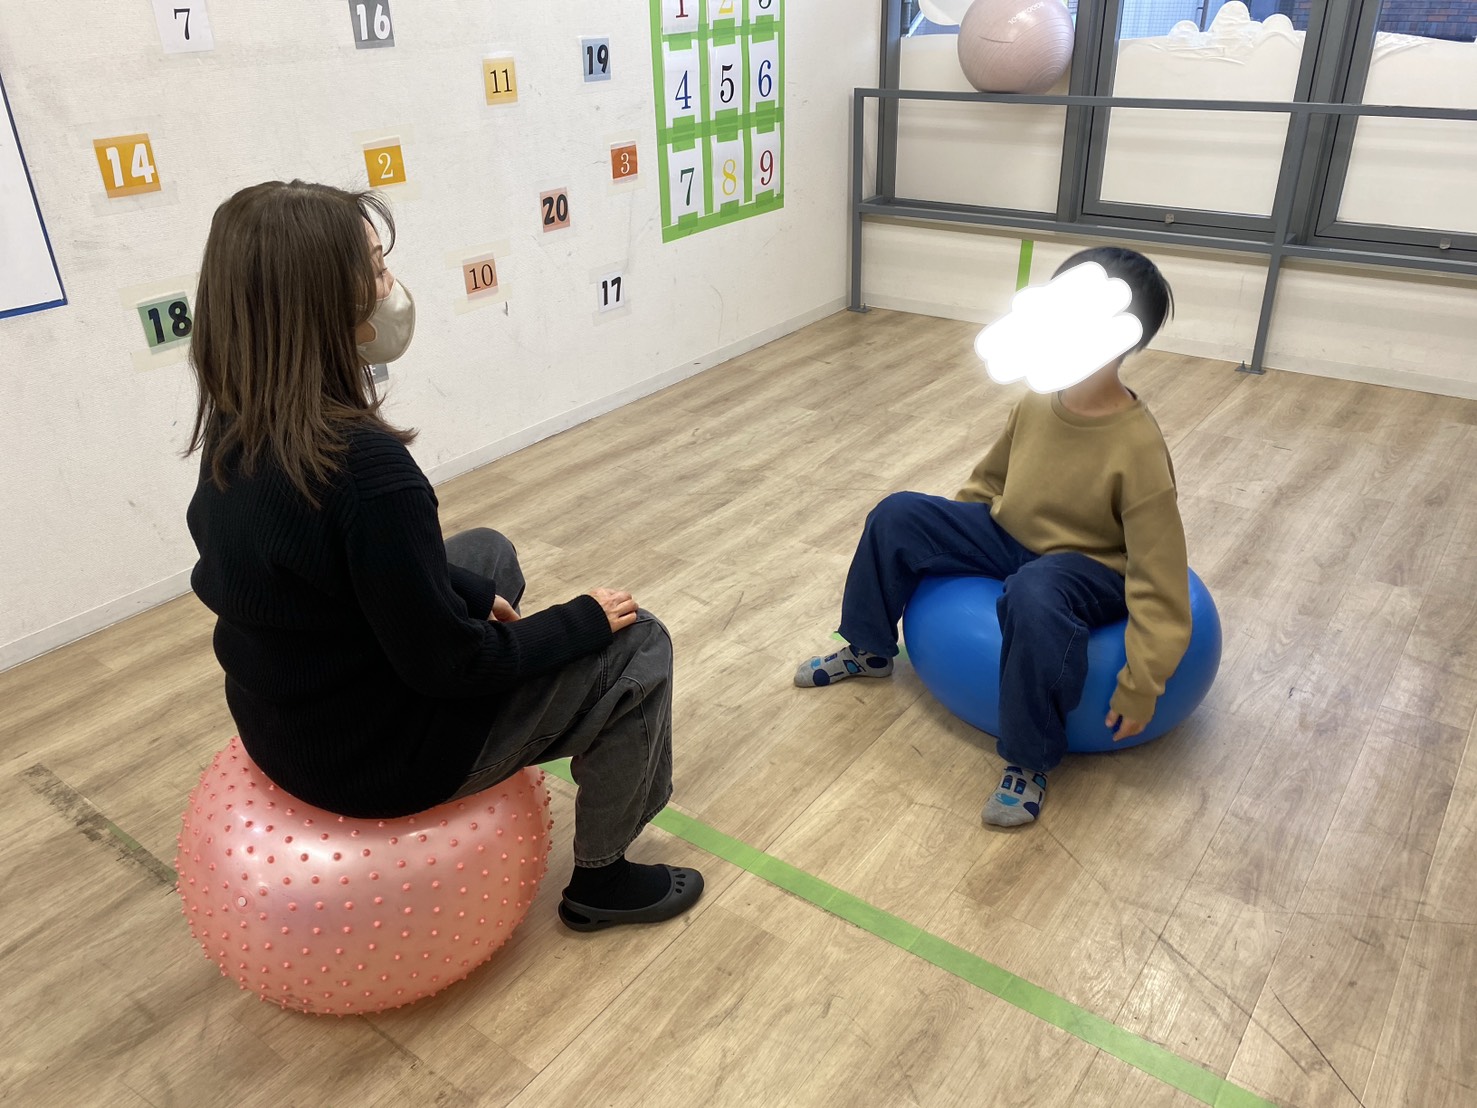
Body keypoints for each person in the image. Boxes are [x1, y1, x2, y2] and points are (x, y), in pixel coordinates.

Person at [185, 180, 702, 930]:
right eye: (374, 266)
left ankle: (511, 670)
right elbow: (449, 668)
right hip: (375, 761)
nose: (389, 282)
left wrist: (469, 596)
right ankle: (604, 881)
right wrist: (578, 623)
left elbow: (341, 572)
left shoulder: (237, 423)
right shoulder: (368, 471)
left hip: (286, 721)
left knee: (485, 555)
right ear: (325, 303)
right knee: (639, 643)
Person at [794, 246, 1191, 827]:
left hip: (1089, 568)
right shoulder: (1038, 400)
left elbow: (1161, 576)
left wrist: (1142, 684)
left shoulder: (1137, 447)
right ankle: (869, 648)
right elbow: (991, 479)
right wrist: (953, 542)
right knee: (898, 514)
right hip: (1012, 536)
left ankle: (1029, 760)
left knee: (1036, 590)